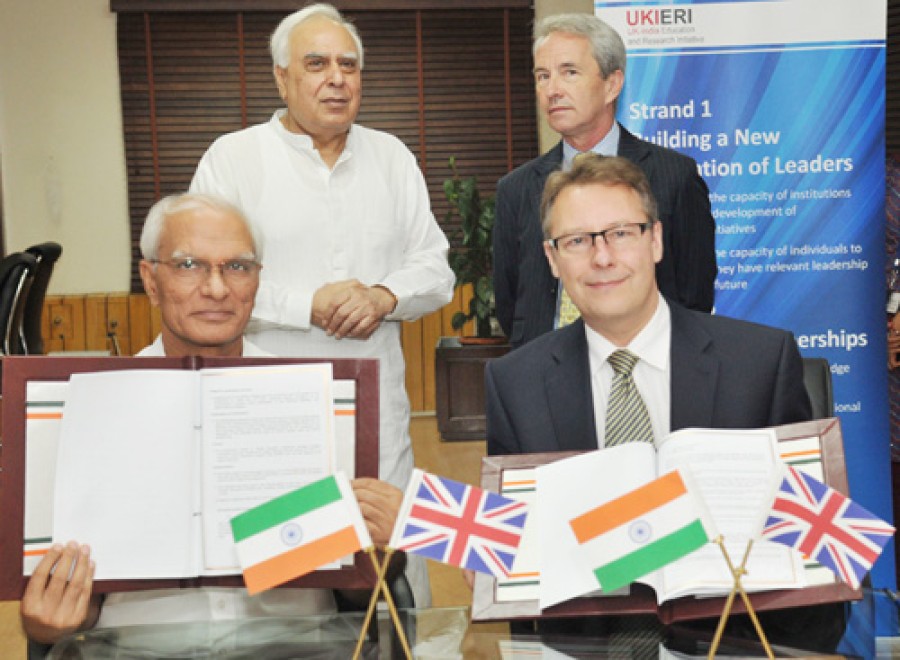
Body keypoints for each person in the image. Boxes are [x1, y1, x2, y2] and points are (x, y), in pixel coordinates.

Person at [485, 154, 845, 650]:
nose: (602, 258)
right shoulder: (515, 383)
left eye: (621, 233)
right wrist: (492, 560)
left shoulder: (759, 363)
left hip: (732, 644)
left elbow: (813, 550)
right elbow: (520, 566)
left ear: (655, 240)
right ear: (552, 259)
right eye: (577, 241)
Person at [20, 193, 404, 649]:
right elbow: (70, 606)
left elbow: (357, 587)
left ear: (257, 280)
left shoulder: (317, 399)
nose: (217, 289)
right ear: (151, 281)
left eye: (237, 266)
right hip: (142, 650)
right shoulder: (88, 407)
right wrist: (51, 621)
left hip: (297, 646)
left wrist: (382, 549)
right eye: (189, 265)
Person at [189, 4, 454, 607]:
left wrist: (384, 296)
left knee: (389, 585)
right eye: (316, 64)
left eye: (348, 65)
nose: (337, 78)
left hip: (377, 416)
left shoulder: (391, 157)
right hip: (271, 415)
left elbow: (436, 268)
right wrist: (306, 304)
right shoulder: (233, 159)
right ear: (282, 78)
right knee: (283, 591)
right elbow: (208, 281)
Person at [493, 12, 716, 349]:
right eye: (543, 76)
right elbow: (510, 302)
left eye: (569, 72)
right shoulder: (516, 188)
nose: (552, 90)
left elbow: (694, 293)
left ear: (612, 84)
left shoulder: (675, 176)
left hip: (648, 363)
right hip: (547, 366)